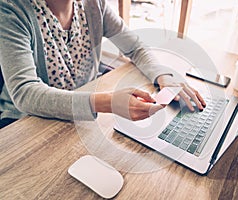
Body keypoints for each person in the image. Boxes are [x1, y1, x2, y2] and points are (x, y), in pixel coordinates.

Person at [0, 0, 206, 128]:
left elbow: (135, 48)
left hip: (81, 118)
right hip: (27, 122)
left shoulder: (94, 4)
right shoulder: (10, 11)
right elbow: (25, 93)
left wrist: (164, 77)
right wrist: (108, 102)